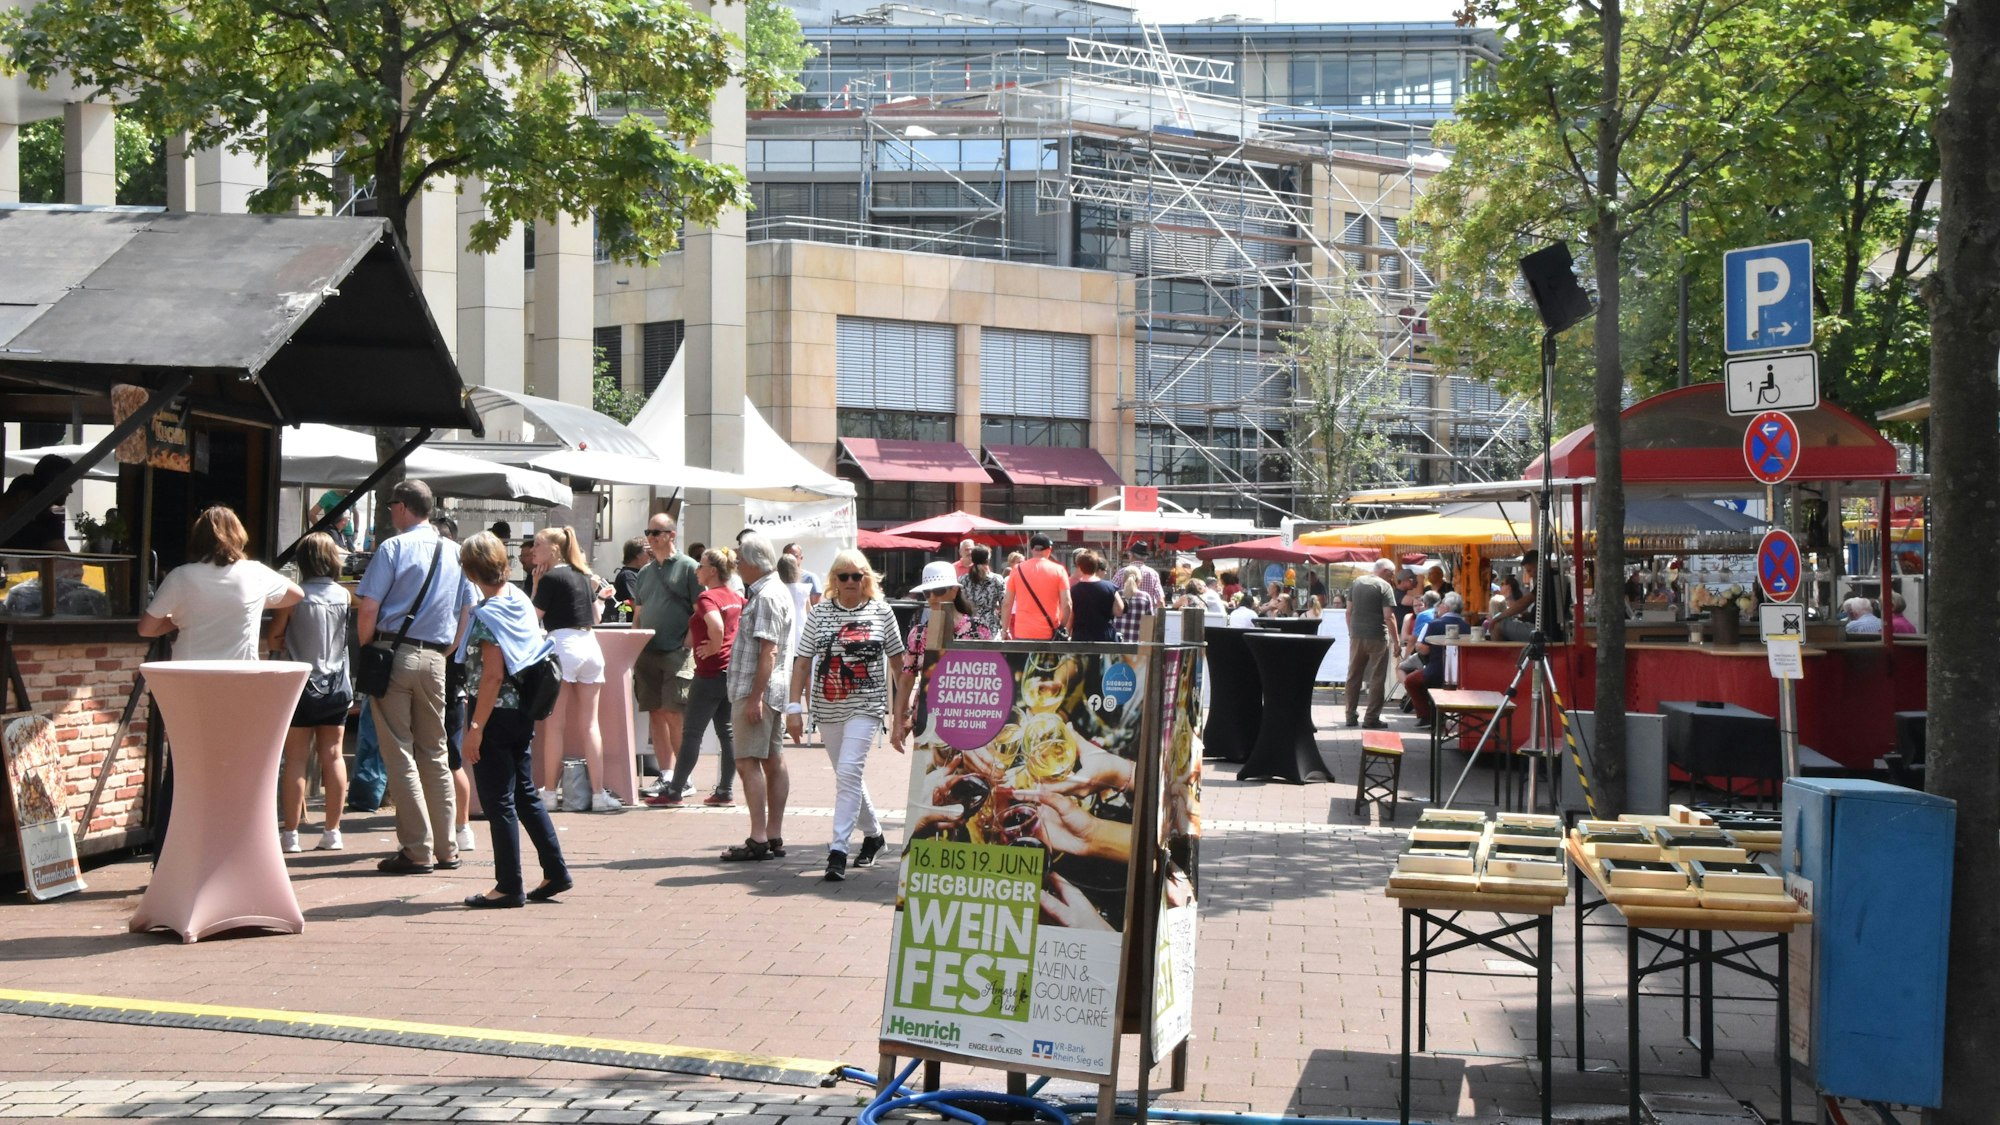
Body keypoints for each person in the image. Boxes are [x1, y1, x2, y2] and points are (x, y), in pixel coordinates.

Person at [354, 480, 477, 875]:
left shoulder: (393, 548)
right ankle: (447, 848)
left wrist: (370, 647)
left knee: (399, 752)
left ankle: (416, 849)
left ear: (404, 507)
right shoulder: (456, 552)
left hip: (393, 652)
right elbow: (468, 609)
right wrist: (448, 650)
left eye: (392, 505)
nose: (391, 511)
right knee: (435, 752)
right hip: (436, 659)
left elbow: (368, 607)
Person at [457, 532, 571, 909]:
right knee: (525, 795)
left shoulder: (487, 615)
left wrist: (475, 729)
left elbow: (492, 676)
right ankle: (555, 870)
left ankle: (508, 885)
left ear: (471, 571)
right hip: (523, 708)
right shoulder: (518, 598)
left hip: (494, 713)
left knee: (499, 802)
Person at [787, 549, 911, 882]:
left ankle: (838, 850)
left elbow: (899, 664)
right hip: (827, 707)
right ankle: (874, 836)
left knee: (848, 772)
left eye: (858, 575)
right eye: (844, 576)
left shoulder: (881, 611)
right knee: (848, 776)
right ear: (835, 580)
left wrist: (902, 713)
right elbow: (802, 661)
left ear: (866, 578)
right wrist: (793, 707)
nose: (851, 581)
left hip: (866, 706)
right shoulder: (820, 612)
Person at [268, 532, 352, 853]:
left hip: (301, 684)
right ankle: (332, 832)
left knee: (296, 759)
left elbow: (274, 638)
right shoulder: (344, 596)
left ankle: (290, 835)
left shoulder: (295, 596)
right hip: (337, 684)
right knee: (334, 755)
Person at [140, 506, 304, 660]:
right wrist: (252, 603)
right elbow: (297, 594)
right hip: (240, 673)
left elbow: (146, 629)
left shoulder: (180, 576)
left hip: (191, 671)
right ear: (239, 536)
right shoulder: (256, 573)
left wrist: (180, 618)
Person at [530, 526, 617, 811]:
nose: (533, 550)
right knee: (590, 724)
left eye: (538, 544)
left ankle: (549, 792)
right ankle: (598, 793)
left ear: (554, 549)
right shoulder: (582, 575)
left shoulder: (550, 578)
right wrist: (600, 597)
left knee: (554, 726)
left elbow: (532, 618)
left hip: (562, 646)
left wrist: (535, 586)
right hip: (589, 646)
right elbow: (596, 617)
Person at [652, 548, 743, 808]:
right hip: (729, 672)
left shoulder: (707, 597)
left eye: (701, 566)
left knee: (692, 733)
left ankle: (674, 791)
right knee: (727, 733)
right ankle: (725, 791)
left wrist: (715, 645)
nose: (696, 570)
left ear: (713, 571)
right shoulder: (735, 597)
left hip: (709, 673)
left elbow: (716, 625)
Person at [723, 535, 793, 862]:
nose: (738, 566)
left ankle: (759, 836)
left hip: (757, 689)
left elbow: (769, 650)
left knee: (747, 761)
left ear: (753, 562)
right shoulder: (774, 590)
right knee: (772, 760)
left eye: (740, 560)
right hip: (770, 688)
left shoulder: (765, 595)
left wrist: (755, 697)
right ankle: (772, 833)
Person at [632, 513, 702, 798]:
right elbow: (638, 613)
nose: (651, 537)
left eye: (656, 532)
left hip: (676, 651)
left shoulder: (689, 567)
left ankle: (684, 778)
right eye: (648, 532)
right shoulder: (644, 573)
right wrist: (635, 643)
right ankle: (667, 775)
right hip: (647, 652)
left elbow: (701, 611)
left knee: (675, 714)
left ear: (672, 535)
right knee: (656, 714)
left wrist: (687, 643)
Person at [1344, 558, 1401, 730]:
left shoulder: (1356, 582)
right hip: (1378, 637)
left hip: (1357, 636)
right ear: (1385, 571)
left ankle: (1350, 715)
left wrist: (1351, 632)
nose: (1392, 577)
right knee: (1377, 677)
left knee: (1353, 675)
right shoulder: (1385, 586)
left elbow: (1348, 611)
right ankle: (1371, 718)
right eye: (1391, 574)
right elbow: (1388, 616)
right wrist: (1396, 641)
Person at [1402, 592, 1467, 724]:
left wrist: (1422, 646)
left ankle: (1426, 716)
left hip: (1437, 671)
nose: (1439, 607)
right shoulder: (1467, 626)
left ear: (1446, 607)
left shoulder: (1434, 624)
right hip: (1462, 673)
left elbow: (1424, 649)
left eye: (1441, 604)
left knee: (1411, 681)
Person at [1002, 533, 1071, 640]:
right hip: (1050, 633)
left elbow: (1007, 603)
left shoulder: (1017, 569)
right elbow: (1067, 604)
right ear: (1049, 549)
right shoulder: (1059, 570)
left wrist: (1005, 630)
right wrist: (1061, 627)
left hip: (1023, 632)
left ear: (1032, 549)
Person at [0, 454, 74, 552]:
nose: (71, 490)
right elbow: (64, 558)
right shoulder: (47, 522)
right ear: (23, 497)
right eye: (67, 483)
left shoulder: (48, 521)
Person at [1066, 550, 1122, 643]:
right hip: (1105, 636)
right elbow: (1119, 611)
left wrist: (1067, 634)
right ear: (1096, 566)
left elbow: (1070, 617)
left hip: (1081, 637)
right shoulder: (1110, 587)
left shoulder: (1074, 590)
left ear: (1079, 567)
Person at [958, 545, 1005, 637]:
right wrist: (1005, 628)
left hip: (968, 625)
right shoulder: (997, 579)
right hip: (990, 625)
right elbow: (1004, 604)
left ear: (972, 559)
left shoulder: (962, 580)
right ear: (988, 560)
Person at [610, 537, 647, 623]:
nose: (651, 555)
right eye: (648, 552)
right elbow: (635, 605)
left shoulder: (639, 574)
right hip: (632, 626)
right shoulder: (628, 576)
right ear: (638, 555)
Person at [783, 543, 823, 610]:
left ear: (801, 557)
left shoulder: (810, 578)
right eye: (788, 557)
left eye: (794, 556)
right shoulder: (778, 579)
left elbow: (817, 609)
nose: (791, 560)